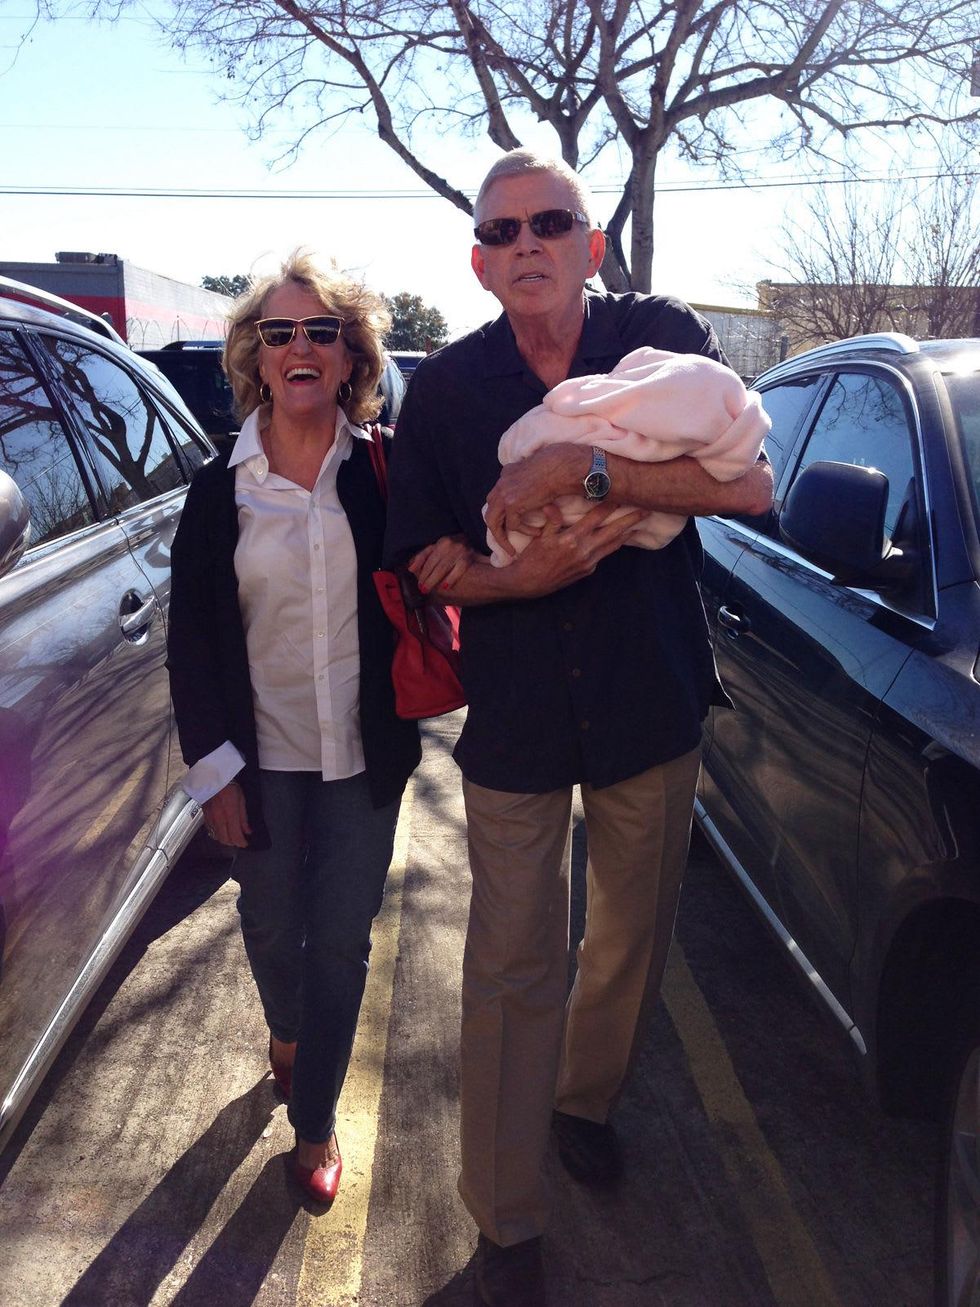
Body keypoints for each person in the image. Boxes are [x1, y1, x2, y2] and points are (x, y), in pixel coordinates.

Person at [383, 150, 773, 1306]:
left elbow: (746, 487)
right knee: (508, 963)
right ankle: (504, 1214)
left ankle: (585, 1099)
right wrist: (523, 580)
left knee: (626, 937)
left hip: (647, 692)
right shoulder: (447, 390)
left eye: (549, 222)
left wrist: (585, 465)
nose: (525, 245)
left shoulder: (658, 340)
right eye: (500, 231)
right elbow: (421, 560)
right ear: (477, 260)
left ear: (589, 243)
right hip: (513, 710)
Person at [166, 251, 421, 1206]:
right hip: (258, 761)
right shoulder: (216, 493)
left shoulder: (387, 474)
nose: (301, 346)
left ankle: (315, 1124)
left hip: (363, 759)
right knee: (272, 924)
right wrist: (214, 768)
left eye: (323, 331)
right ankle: (285, 1028)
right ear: (257, 357)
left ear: (351, 355)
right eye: (281, 333)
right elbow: (190, 641)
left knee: (343, 941)